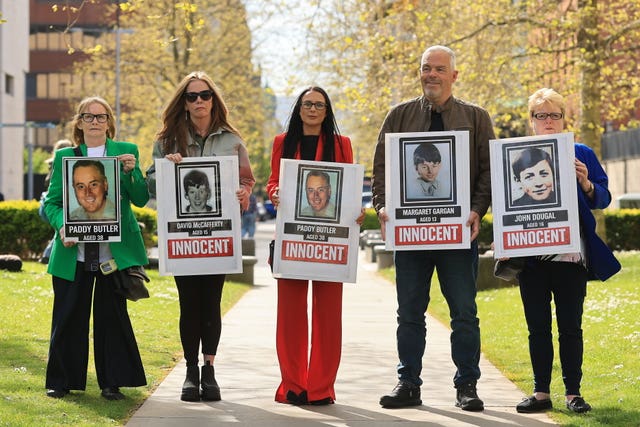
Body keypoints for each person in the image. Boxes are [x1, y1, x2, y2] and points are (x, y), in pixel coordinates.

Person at [372, 45, 494, 411]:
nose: (432, 75)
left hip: (458, 235)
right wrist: (381, 207)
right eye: (427, 68)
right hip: (411, 237)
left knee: (464, 312)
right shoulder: (399, 117)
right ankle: (408, 382)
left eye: (440, 69)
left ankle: (467, 386)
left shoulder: (476, 117)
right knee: (409, 312)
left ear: (454, 75)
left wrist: (476, 209)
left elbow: (488, 170)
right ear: (420, 73)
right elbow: (381, 169)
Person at [146, 71, 255, 402]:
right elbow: (151, 185)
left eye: (204, 95)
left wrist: (243, 193)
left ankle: (209, 370)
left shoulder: (232, 140)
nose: (198, 102)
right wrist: (165, 167)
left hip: (218, 238)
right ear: (184, 102)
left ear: (213, 99)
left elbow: (248, 181)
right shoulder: (166, 140)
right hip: (182, 239)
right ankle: (190, 372)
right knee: (188, 304)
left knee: (211, 303)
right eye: (191, 96)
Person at [514, 88, 620, 414]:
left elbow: (603, 197)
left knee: (571, 326)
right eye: (541, 115)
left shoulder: (581, 153)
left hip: (571, 256)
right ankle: (541, 392)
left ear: (563, 118)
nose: (548, 121)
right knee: (537, 327)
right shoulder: (514, 154)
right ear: (531, 120)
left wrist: (587, 184)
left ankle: (573, 393)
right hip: (530, 258)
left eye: (554, 114)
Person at [43, 96, 149, 400]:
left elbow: (140, 198)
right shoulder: (66, 157)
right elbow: (52, 203)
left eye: (101, 117)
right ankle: (60, 381)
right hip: (72, 251)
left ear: (109, 122)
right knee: (67, 317)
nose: (95, 122)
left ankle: (111, 382)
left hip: (111, 254)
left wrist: (131, 173)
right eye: (88, 117)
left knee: (111, 318)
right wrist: (63, 225)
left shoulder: (126, 152)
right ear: (79, 122)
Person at [266, 86, 364, 406]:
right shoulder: (282, 142)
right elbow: (272, 181)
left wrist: (357, 211)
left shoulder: (341, 145)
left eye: (319, 105)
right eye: (307, 104)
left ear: (327, 111)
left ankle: (321, 388)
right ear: (298, 108)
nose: (312, 109)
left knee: (328, 316)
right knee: (290, 315)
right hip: (293, 239)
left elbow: (349, 186)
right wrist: (275, 193)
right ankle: (293, 385)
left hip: (330, 243)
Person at [40, 139, 73, 264]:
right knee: (61, 230)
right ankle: (47, 255)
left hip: (45, 203)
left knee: (60, 230)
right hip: (56, 204)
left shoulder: (51, 164)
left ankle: (47, 255)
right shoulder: (61, 163)